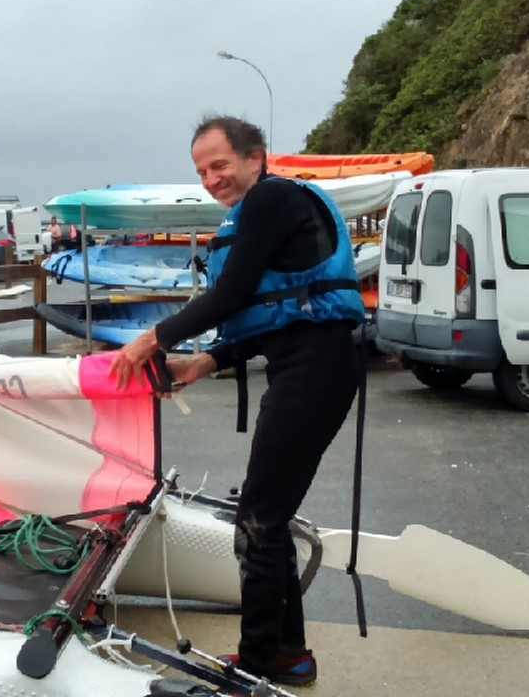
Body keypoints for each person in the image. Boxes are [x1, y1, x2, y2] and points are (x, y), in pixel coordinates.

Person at [109, 115, 366, 688]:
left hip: (317, 368)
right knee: (265, 516)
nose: (211, 179)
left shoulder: (273, 198)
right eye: (201, 171)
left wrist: (152, 339)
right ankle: (288, 655)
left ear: (256, 157)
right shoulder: (262, 207)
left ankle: (256, 664)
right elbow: (276, 313)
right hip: (308, 364)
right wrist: (205, 362)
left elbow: (231, 294)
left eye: (220, 165)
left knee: (258, 518)